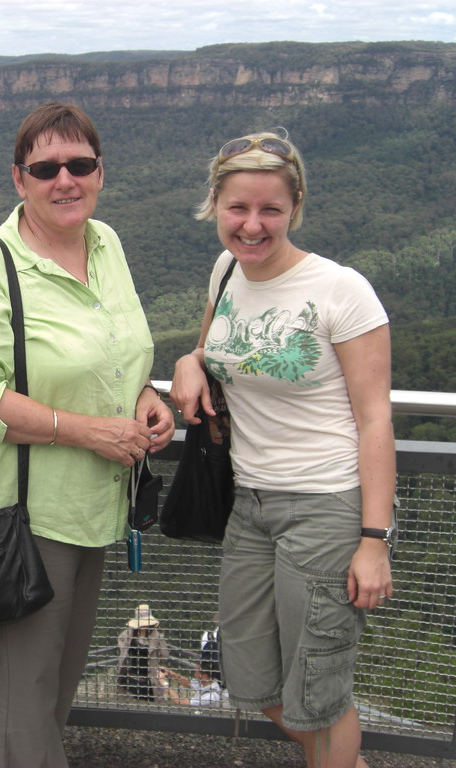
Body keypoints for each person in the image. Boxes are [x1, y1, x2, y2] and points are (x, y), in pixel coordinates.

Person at [0, 102, 175, 768]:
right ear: (19, 179)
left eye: (80, 164)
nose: (65, 179)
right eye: (46, 168)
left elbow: (117, 352)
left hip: (97, 504)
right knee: (27, 694)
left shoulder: (107, 244)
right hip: (25, 514)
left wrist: (146, 397)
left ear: (100, 171)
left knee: (49, 689)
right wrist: (80, 430)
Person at [171, 130, 396, 768]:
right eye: (238, 207)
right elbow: (217, 350)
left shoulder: (341, 291)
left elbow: (375, 419)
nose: (252, 225)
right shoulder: (225, 271)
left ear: (295, 208)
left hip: (325, 506)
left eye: (270, 209)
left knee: (317, 691)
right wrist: (188, 361)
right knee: (249, 674)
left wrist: (373, 540)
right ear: (215, 203)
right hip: (250, 505)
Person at [116, 603, 170, 701]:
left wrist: (156, 661)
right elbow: (121, 641)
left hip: (149, 677)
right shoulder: (129, 633)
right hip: (131, 674)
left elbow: (164, 655)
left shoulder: (157, 636)